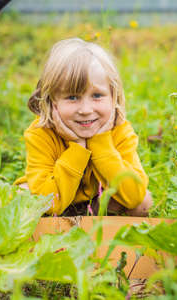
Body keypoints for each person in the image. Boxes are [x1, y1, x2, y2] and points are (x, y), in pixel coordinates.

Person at [14, 37, 152, 216]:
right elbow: (47, 202)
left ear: (113, 96)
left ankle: (100, 234)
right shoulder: (40, 134)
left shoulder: (120, 131)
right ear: (51, 101)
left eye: (97, 95)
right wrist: (78, 146)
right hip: (54, 202)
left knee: (143, 202)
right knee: (23, 197)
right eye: (72, 97)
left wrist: (101, 143)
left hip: (97, 203)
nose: (86, 110)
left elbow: (134, 196)